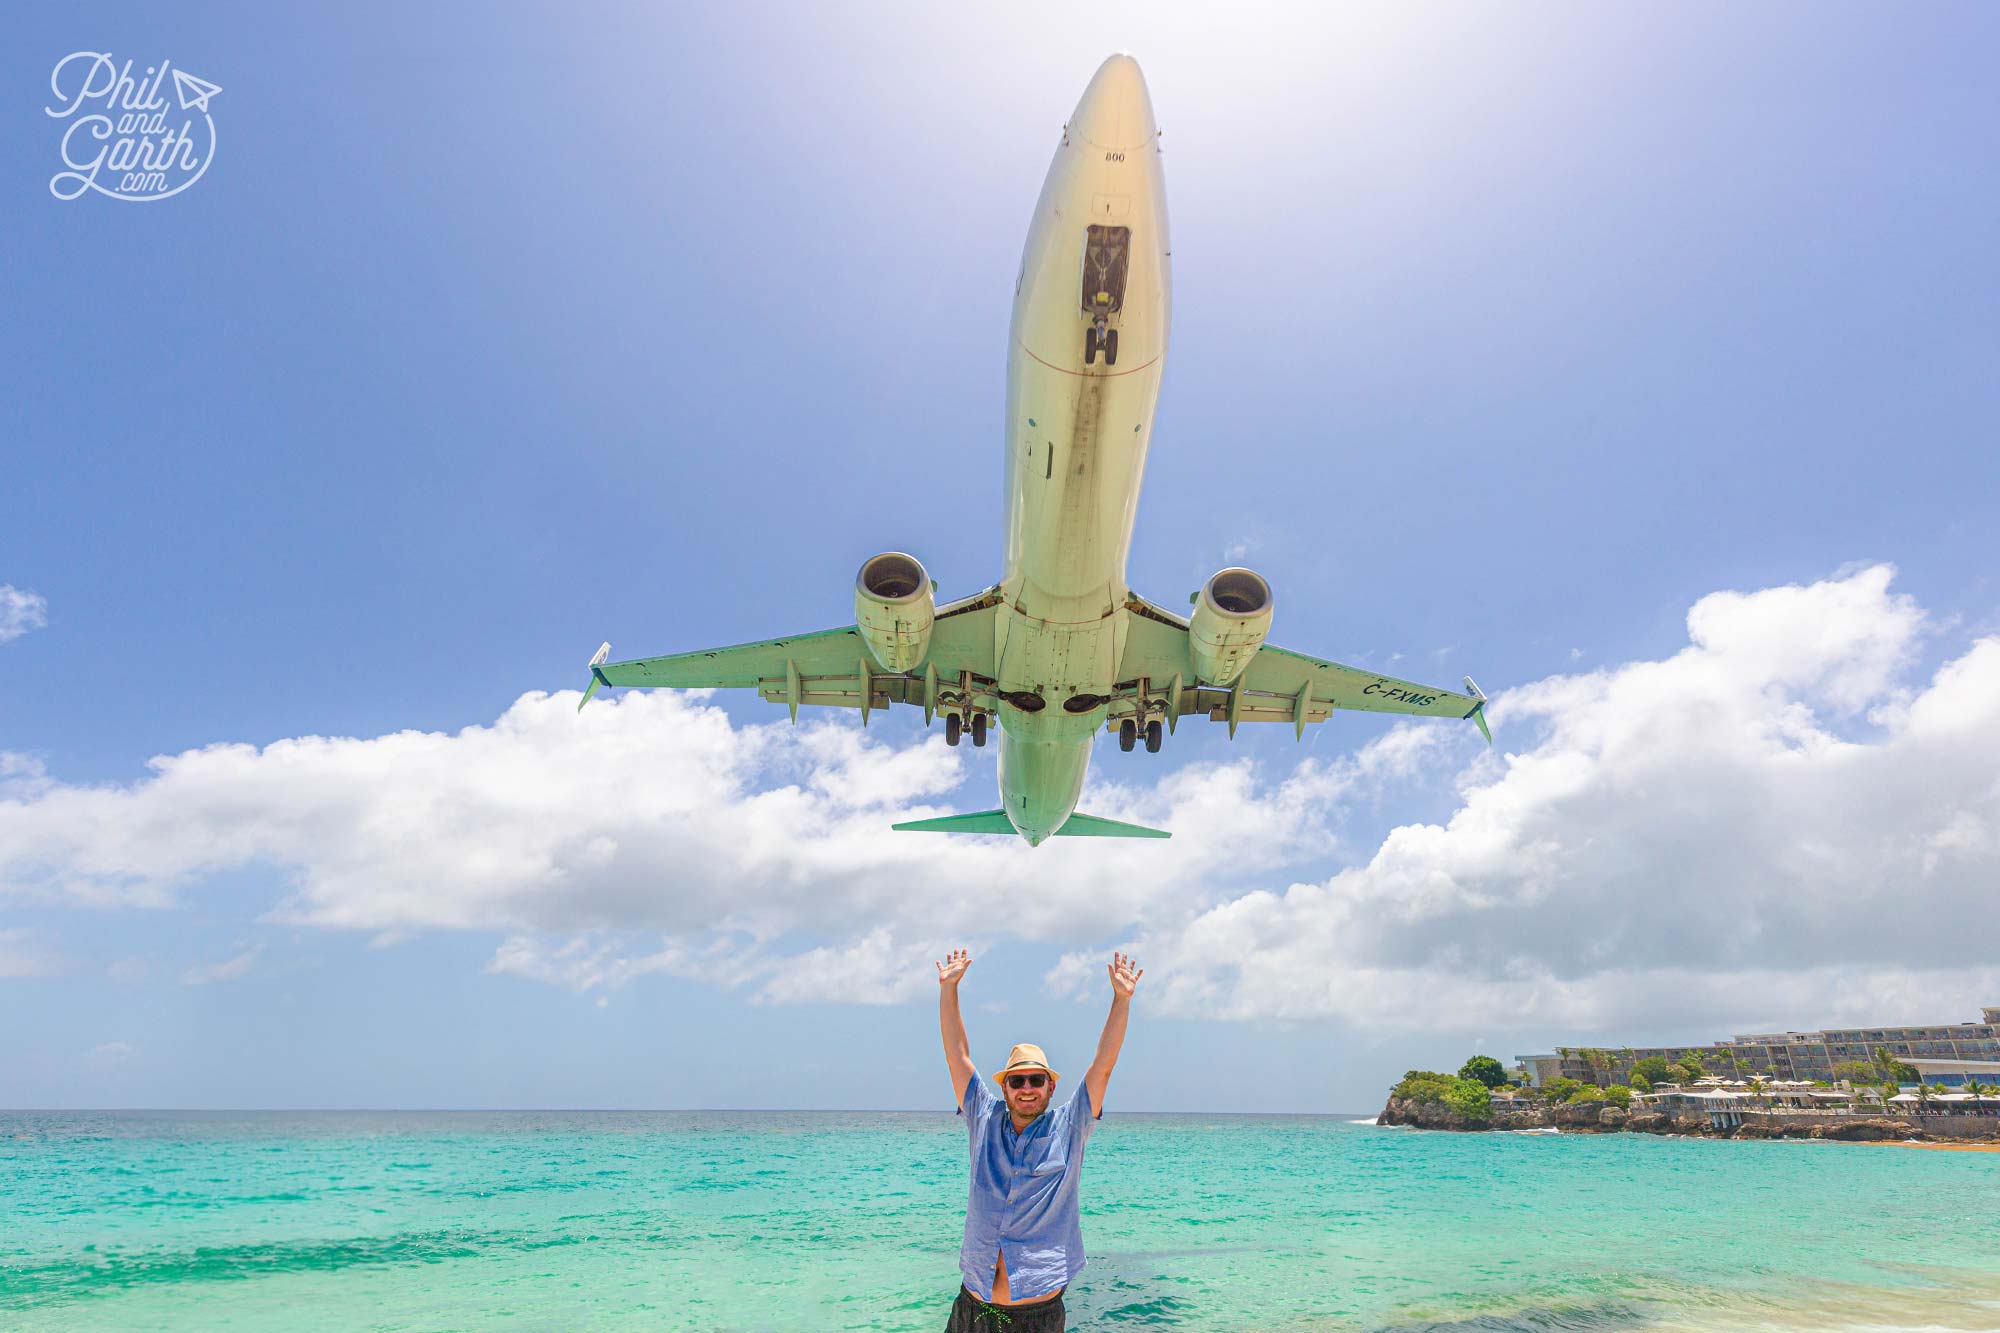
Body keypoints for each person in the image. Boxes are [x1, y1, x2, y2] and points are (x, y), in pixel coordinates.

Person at [935, 947, 1143, 1332]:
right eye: (1017, 1080)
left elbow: (1103, 1065)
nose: (1026, 1088)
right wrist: (948, 989)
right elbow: (957, 1056)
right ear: (1005, 1087)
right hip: (972, 1308)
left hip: (1037, 1315)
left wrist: (1121, 1000)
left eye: (1036, 1080)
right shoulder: (983, 1116)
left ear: (1051, 1087)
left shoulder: (1070, 1125)